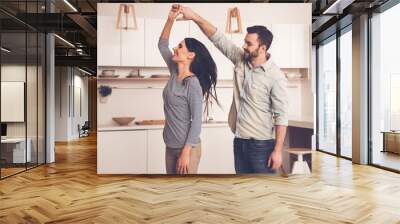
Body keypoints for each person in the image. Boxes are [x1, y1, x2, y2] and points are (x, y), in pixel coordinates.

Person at [177, 5, 288, 174]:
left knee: (263, 194)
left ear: (263, 48)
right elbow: (217, 38)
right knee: (243, 193)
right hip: (239, 142)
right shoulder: (241, 60)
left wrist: (277, 151)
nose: (244, 46)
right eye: (245, 41)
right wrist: (194, 16)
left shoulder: (275, 76)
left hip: (261, 146)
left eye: (249, 44)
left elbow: (281, 116)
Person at [158, 5, 219, 174]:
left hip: (187, 150)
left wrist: (186, 153)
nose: (174, 49)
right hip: (170, 146)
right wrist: (170, 19)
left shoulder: (193, 84)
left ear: (190, 55)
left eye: (180, 46)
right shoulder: (174, 70)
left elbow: (197, 121)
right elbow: (162, 44)